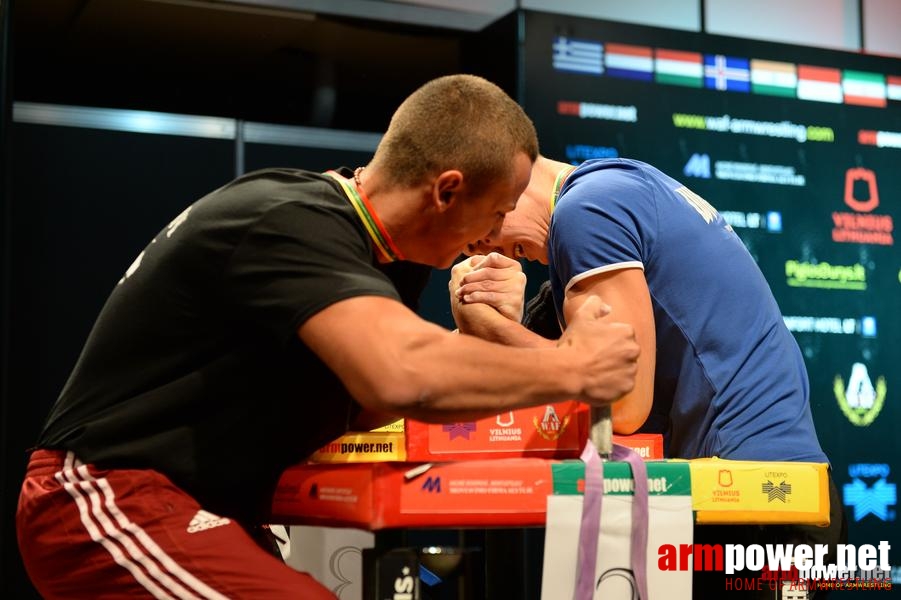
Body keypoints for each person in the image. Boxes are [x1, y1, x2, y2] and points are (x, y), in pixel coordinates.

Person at [16, 76, 641, 600]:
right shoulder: (287, 219)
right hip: (103, 494)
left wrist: (488, 335)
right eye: (499, 208)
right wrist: (574, 366)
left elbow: (382, 400)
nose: (498, 230)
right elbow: (402, 375)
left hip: (202, 502)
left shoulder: (386, 258)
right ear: (447, 190)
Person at [453, 155, 847, 599]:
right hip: (772, 500)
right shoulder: (616, 196)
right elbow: (497, 381)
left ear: (507, 180)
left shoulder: (587, 210)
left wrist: (486, 325)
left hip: (759, 508)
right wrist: (493, 320)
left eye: (487, 233)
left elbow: (621, 405)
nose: (493, 252)